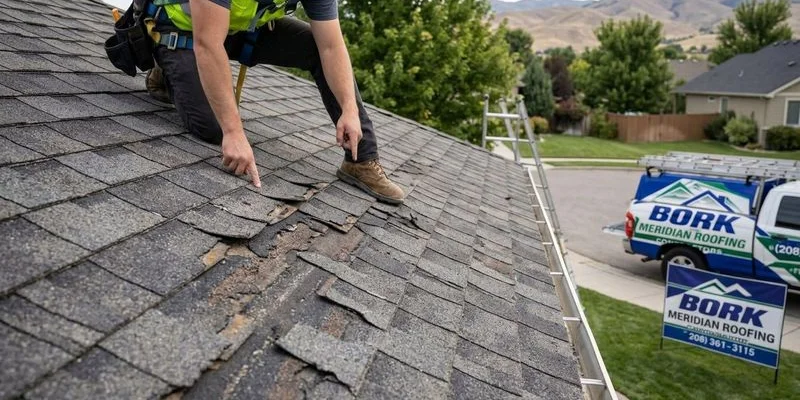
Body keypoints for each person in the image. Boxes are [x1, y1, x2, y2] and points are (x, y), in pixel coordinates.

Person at [146, 0, 404, 204]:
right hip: (185, 31)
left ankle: (361, 161)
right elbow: (208, 43)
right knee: (214, 127)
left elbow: (331, 47)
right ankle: (169, 70)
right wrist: (234, 132)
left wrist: (349, 108)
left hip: (239, 30)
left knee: (314, 46)